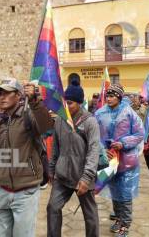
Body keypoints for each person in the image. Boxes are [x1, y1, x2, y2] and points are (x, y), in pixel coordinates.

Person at [0, 78, 53, 237]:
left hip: (25, 192)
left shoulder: (29, 116)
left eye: (7, 93)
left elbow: (46, 126)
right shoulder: (0, 124)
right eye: (0, 94)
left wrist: (36, 101)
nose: (2, 97)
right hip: (2, 192)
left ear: (18, 96)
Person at [47, 81, 100, 237]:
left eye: (69, 103)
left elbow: (94, 151)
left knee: (90, 216)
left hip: (83, 177)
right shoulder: (60, 120)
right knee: (52, 208)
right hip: (62, 176)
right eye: (65, 102)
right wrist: (51, 169)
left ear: (80, 102)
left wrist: (86, 177)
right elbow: (55, 148)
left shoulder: (90, 122)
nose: (66, 106)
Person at [95, 84, 144, 237]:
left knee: (125, 194)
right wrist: (102, 151)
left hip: (126, 161)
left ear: (119, 97)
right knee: (115, 192)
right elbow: (94, 136)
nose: (108, 98)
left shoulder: (129, 113)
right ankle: (118, 218)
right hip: (109, 159)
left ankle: (125, 224)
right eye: (107, 96)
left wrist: (123, 143)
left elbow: (139, 133)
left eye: (112, 96)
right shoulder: (100, 113)